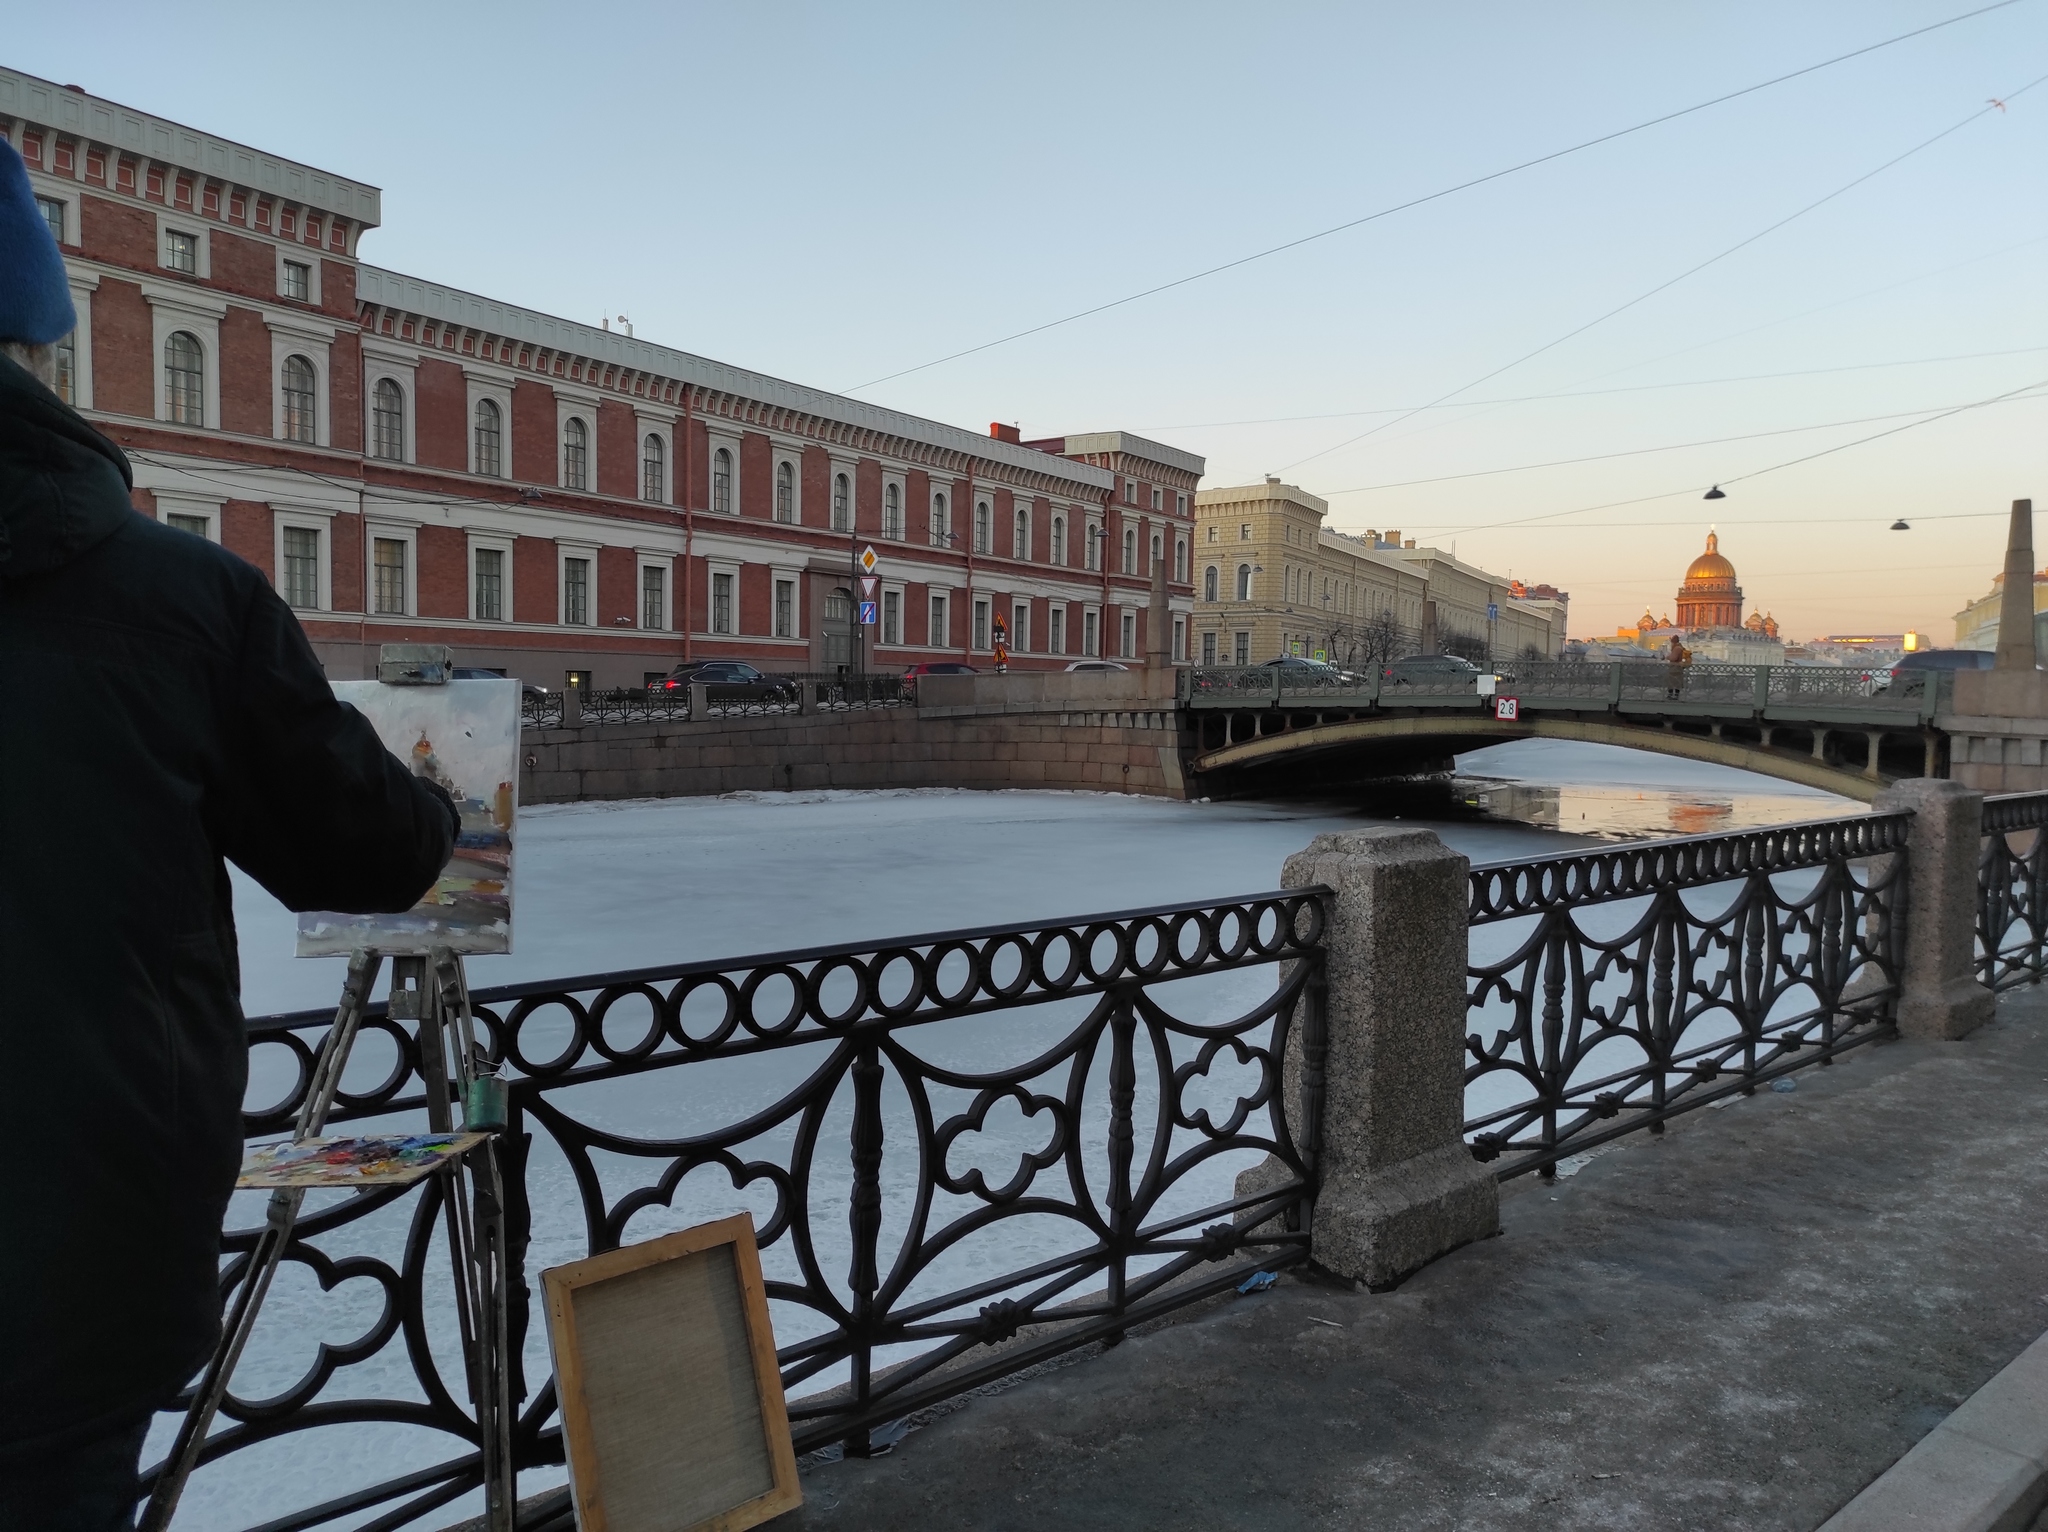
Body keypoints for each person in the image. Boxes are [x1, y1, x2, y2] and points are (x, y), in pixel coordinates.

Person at [0, 139, 458, 1529]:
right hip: (71, 1257)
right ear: (44, 348)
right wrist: (437, 790)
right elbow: (373, 854)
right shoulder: (179, 598)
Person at [1665, 633, 1692, 700]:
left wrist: (1667, 657)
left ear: (1673, 641)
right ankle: (1676, 695)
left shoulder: (1676, 648)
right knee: (1678, 682)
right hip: (1679, 667)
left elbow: (1673, 658)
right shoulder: (1680, 647)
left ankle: (1671, 695)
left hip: (1675, 668)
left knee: (1672, 682)